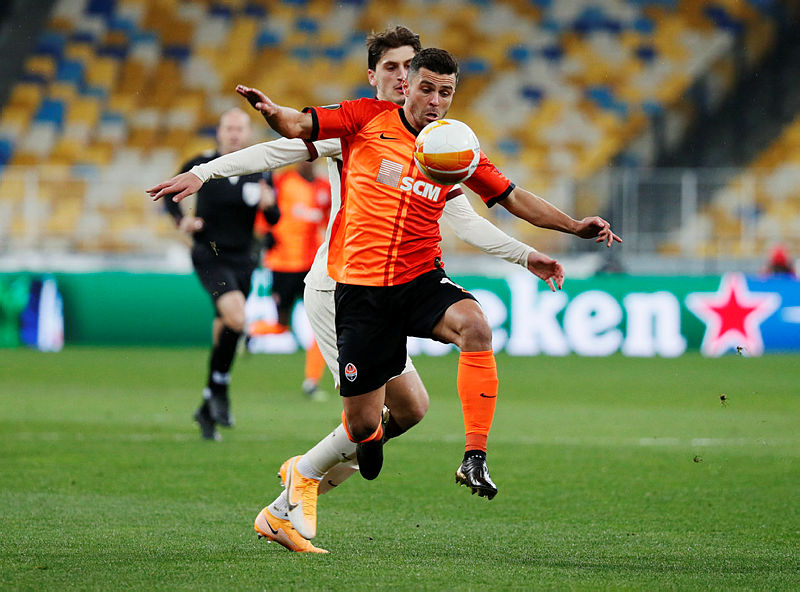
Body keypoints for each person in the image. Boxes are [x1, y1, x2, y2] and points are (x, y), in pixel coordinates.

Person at [148, 28, 617, 553]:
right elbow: (280, 145)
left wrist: (530, 252)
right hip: (340, 286)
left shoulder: (444, 146)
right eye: (395, 69)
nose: (409, 83)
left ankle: (318, 478)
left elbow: (470, 216)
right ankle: (308, 479)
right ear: (380, 76)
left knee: (412, 407)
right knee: (363, 422)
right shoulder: (359, 123)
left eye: (418, 74)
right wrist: (207, 171)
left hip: (410, 281)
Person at [163, 108, 279, 441]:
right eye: (229, 128)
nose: (234, 134)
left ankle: (206, 406)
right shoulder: (201, 164)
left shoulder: (259, 169)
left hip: (243, 259)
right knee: (237, 318)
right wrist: (182, 220)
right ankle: (222, 391)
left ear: (248, 134)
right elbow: (170, 195)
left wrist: (270, 206)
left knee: (225, 327)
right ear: (219, 132)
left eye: (240, 128)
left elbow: (275, 218)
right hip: (209, 255)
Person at [250, 161, 331, 399]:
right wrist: (264, 234)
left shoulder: (325, 188)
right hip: (282, 264)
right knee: (281, 325)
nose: (308, 161)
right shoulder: (283, 181)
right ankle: (250, 331)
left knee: (322, 324)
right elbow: (264, 212)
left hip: (311, 267)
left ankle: (312, 381)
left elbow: (330, 220)